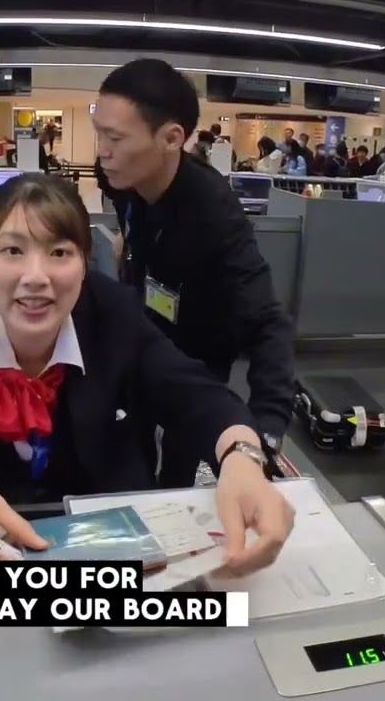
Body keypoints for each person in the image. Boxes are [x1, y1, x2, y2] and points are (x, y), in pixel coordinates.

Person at [0, 173, 295, 565]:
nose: (35, 276)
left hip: (103, 550)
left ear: (84, 264)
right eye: (12, 251)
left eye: (59, 253)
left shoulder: (113, 312)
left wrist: (242, 457)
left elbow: (196, 394)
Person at [93, 58, 295, 488]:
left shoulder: (213, 213)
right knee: (132, 440)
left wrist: (266, 428)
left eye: (115, 138)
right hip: (144, 329)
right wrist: (129, 240)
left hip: (200, 348)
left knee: (181, 455)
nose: (102, 151)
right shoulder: (119, 175)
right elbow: (128, 214)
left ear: (172, 138)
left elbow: (267, 321)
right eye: (99, 134)